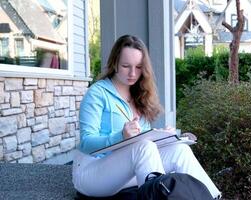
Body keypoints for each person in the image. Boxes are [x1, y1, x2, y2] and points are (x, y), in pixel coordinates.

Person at [72, 35, 221, 199]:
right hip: (92, 173)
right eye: (126, 66)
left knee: (180, 149)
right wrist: (120, 136)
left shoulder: (138, 95)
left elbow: (141, 142)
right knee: (144, 147)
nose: (133, 73)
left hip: (124, 171)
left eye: (138, 67)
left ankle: (215, 197)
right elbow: (86, 143)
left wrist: (164, 137)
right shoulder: (97, 93)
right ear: (114, 63)